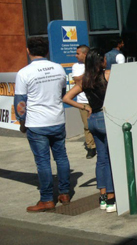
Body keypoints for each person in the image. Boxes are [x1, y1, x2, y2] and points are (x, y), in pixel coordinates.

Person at [14, 37, 72, 212]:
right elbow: (62, 93)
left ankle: (47, 199)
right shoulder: (59, 68)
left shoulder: (24, 73)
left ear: (28, 51)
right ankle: (65, 193)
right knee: (61, 157)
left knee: (43, 162)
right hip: (57, 120)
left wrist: (22, 122)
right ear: (47, 51)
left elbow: (20, 103)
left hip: (37, 123)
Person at [63, 48, 117, 213]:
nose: (106, 61)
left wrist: (84, 106)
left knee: (101, 159)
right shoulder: (108, 75)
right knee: (110, 160)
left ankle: (101, 198)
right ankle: (110, 198)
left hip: (92, 119)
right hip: (106, 118)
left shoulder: (84, 80)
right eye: (104, 58)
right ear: (100, 62)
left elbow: (65, 98)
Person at [72, 45, 96, 159]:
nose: (76, 55)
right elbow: (77, 80)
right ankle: (91, 147)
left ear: (85, 54)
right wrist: (89, 70)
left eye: (78, 53)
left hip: (96, 99)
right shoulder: (76, 66)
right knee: (87, 125)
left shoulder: (95, 63)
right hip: (83, 101)